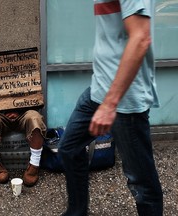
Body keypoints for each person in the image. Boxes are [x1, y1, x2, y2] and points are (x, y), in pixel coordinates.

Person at [58, 1, 163, 215]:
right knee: (69, 148)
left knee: (141, 184)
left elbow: (141, 38)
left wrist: (109, 105)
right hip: (98, 89)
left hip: (125, 100)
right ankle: (77, 212)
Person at [0, 79, 47, 187]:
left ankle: (34, 165)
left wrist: (32, 97)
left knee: (35, 118)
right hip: (0, 117)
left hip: (23, 116)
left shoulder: (28, 72)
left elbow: (38, 105)